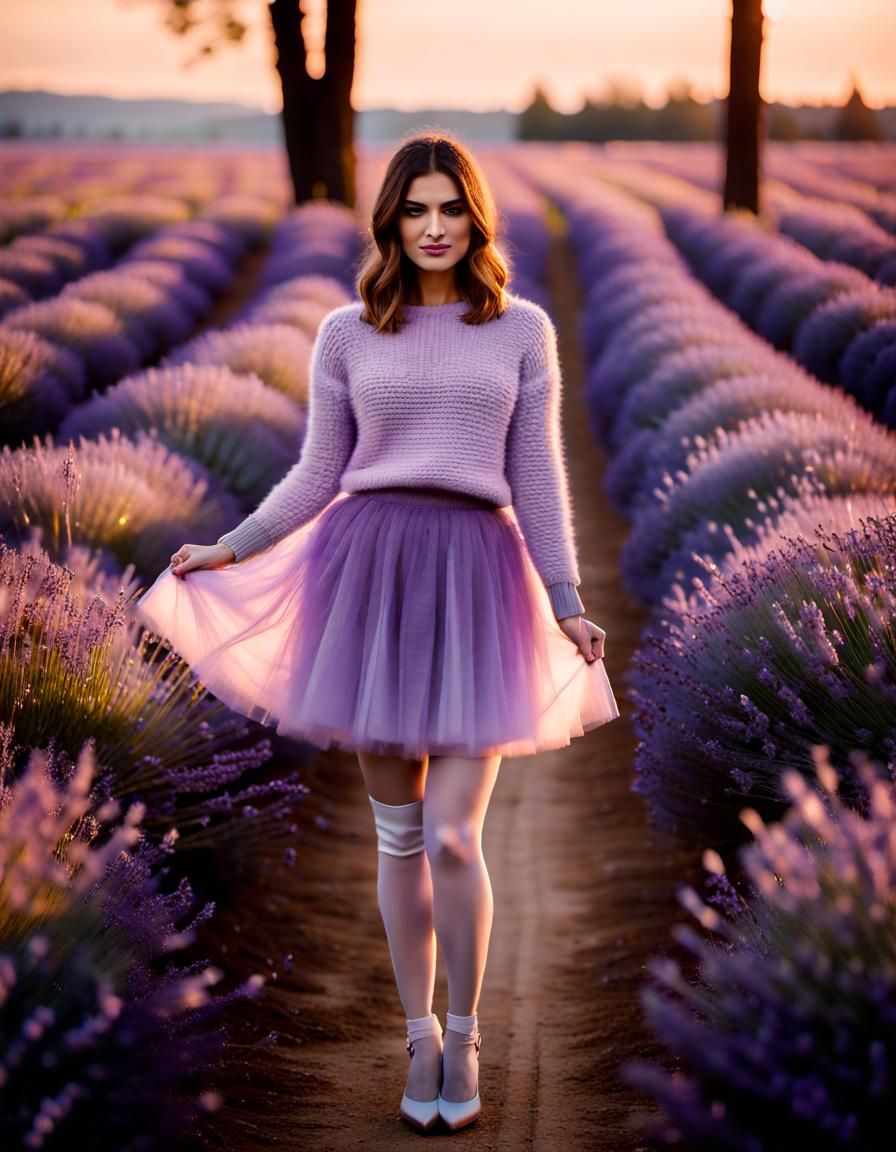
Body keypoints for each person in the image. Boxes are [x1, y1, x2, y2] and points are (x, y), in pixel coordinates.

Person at [135, 131, 619, 1135]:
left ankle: (466, 1027)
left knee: (452, 832)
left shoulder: (520, 329)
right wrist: (228, 545)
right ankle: (418, 1035)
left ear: (474, 218)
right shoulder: (348, 333)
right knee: (397, 833)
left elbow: (536, 476)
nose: (433, 226)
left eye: (450, 209)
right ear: (390, 222)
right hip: (367, 570)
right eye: (415, 210)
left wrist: (565, 597)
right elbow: (318, 471)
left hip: (475, 574)